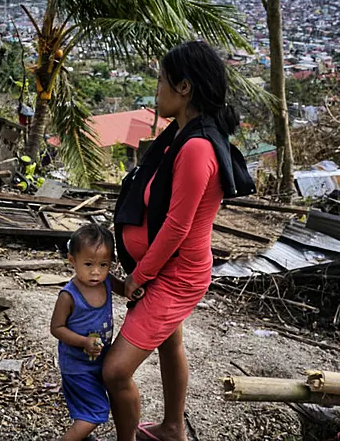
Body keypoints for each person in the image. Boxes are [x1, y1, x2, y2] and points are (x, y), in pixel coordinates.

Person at [103, 40, 255, 441]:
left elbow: (177, 226)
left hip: (176, 276)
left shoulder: (197, 147)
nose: (157, 91)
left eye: (161, 81)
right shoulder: (183, 135)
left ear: (184, 87)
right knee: (171, 345)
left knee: (115, 370)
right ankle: (173, 429)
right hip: (164, 268)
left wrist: (140, 276)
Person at [50, 224, 142, 441]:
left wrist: (137, 291)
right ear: (72, 260)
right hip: (77, 366)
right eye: (88, 264)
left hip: (99, 362)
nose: (95, 272)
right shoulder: (69, 296)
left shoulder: (107, 281)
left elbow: (127, 290)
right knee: (95, 412)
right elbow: (56, 328)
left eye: (103, 265)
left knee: (88, 407)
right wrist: (83, 341)